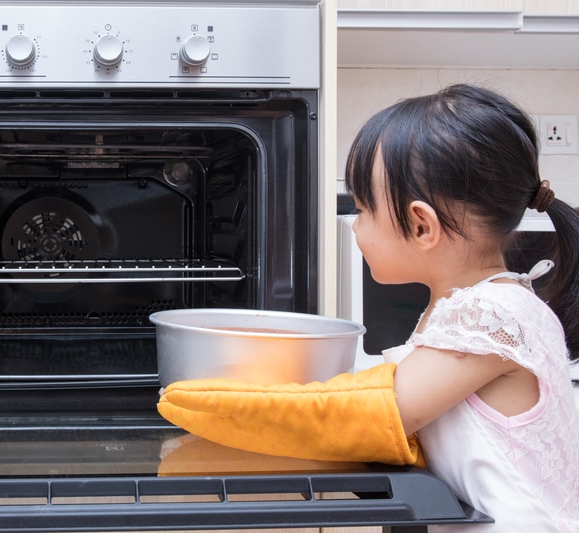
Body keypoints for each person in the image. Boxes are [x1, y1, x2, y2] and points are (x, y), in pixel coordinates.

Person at [158, 84, 579, 532]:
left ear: (421, 226)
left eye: (363, 210)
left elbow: (376, 415)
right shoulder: (484, 304)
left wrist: (215, 404)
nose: (356, 226)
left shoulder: (492, 314)